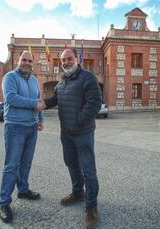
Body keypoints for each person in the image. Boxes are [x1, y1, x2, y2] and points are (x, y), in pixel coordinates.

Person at [44, 49, 102, 229]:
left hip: (83, 132)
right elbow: (55, 99)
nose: (66, 62)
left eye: (69, 59)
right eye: (63, 60)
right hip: (66, 133)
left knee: (88, 169)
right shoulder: (62, 81)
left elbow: (95, 103)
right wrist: (40, 104)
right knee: (71, 162)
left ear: (76, 59)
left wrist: (79, 121)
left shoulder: (87, 78)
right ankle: (78, 192)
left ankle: (91, 206)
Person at [0, 50, 45, 223]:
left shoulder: (34, 80)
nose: (26, 63)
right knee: (11, 166)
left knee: (26, 162)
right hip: (15, 127)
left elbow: (39, 100)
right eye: (23, 60)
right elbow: (11, 98)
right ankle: (4, 202)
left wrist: (40, 118)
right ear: (18, 60)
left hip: (31, 128)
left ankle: (23, 190)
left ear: (32, 62)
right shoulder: (10, 77)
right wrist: (35, 105)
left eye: (29, 60)